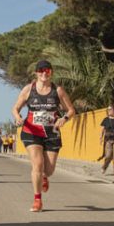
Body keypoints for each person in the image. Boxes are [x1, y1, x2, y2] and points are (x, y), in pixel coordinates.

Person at [11, 60, 76, 212]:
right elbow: (15, 108)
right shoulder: (29, 89)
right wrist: (18, 117)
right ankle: (37, 200)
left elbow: (71, 110)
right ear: (36, 73)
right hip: (31, 131)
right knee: (37, 165)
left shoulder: (58, 90)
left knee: (49, 170)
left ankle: (44, 177)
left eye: (47, 70)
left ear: (51, 72)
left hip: (51, 132)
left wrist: (64, 119)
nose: (44, 73)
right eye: (40, 70)